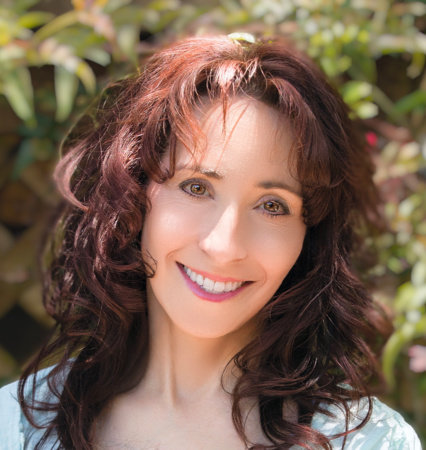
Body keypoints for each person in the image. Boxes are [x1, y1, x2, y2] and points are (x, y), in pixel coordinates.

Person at [0, 34, 421, 450]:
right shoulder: (15, 426)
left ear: (309, 238)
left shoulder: (369, 442)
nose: (224, 245)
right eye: (197, 188)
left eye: (272, 206)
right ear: (132, 195)